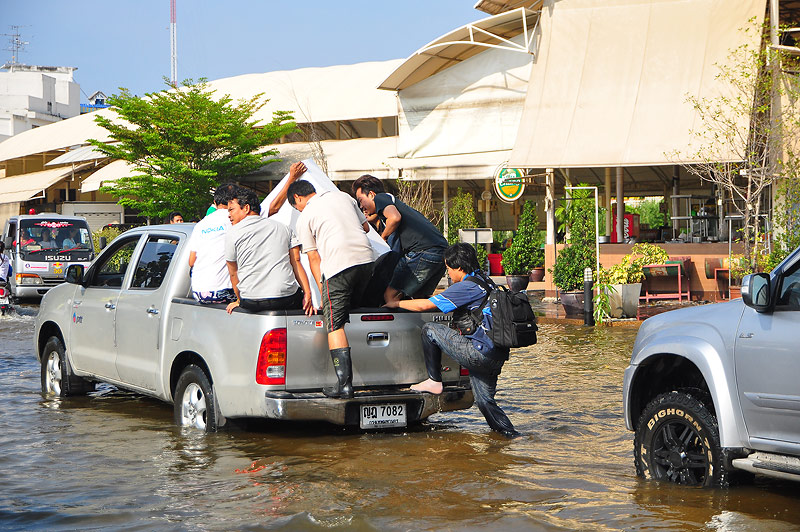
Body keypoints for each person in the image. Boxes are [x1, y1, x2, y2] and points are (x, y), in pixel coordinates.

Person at [383, 243, 519, 437]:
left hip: (479, 352)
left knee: (430, 329)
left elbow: (426, 306)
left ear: (459, 268)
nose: (448, 273)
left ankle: (434, 381)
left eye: (448, 268)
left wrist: (395, 302)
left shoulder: (466, 286)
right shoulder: (485, 281)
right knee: (485, 402)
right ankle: (511, 436)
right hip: (496, 354)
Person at [288, 179, 374, 399]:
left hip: (338, 267)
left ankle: (344, 385)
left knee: (334, 323)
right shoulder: (343, 196)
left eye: (296, 207)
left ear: (298, 198)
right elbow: (365, 227)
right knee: (352, 309)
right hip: (366, 260)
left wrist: (321, 288)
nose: (298, 210)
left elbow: (314, 257)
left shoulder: (305, 217)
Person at [352, 174, 448, 303]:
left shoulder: (382, 197)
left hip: (423, 252)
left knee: (389, 296)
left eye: (360, 200)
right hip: (440, 253)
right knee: (418, 297)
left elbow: (395, 218)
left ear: (371, 194)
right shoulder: (397, 207)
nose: (361, 206)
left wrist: (383, 237)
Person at [225, 187, 313, 316]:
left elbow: (233, 273)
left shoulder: (232, 233)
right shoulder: (284, 228)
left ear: (246, 208)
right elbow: (296, 262)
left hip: (250, 300)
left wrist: (239, 300)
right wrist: (307, 294)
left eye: (231, 210)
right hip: (285, 298)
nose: (229, 215)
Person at [188, 183, 239, 304]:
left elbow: (191, 261)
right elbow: (272, 208)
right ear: (235, 201)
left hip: (200, 293)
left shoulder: (200, 225)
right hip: (225, 292)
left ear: (215, 203)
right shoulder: (235, 219)